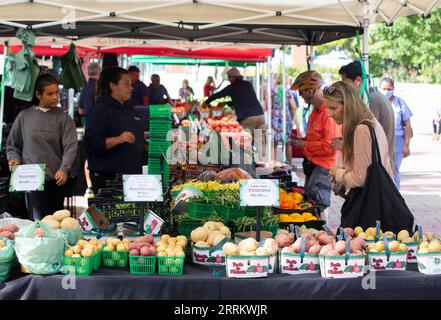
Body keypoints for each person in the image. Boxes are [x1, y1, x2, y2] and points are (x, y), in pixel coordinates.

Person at [6, 74, 78, 220]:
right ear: (38, 94)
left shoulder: (64, 119)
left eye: (57, 92)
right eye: (50, 94)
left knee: (55, 223)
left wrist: (64, 169)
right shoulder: (24, 117)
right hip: (31, 180)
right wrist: (14, 159)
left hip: (56, 179)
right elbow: (13, 145)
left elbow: (71, 146)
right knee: (36, 222)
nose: (55, 97)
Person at [326, 81, 394, 222]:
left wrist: (337, 173)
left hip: (367, 208)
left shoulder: (361, 129)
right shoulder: (369, 121)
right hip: (377, 201)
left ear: (348, 105)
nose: (330, 114)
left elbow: (360, 178)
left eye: (333, 108)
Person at [84, 67, 145, 194]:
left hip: (131, 177)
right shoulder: (99, 110)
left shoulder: (128, 108)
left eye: (131, 84)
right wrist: (118, 139)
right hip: (108, 179)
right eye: (126, 84)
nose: (131, 88)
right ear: (113, 85)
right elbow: (91, 144)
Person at [290, 71, 340, 209]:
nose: (300, 95)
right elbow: (314, 137)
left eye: (301, 91)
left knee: (317, 206)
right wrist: (301, 140)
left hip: (323, 167)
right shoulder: (315, 111)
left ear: (311, 90)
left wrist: (304, 144)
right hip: (313, 164)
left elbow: (329, 145)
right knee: (309, 203)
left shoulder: (328, 112)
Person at [338, 61, 395, 164]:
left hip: (377, 167)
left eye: (345, 83)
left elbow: (368, 141)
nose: (344, 89)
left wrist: (344, 145)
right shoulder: (376, 97)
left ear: (358, 81)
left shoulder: (371, 101)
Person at [379, 77, 413, 189]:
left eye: (389, 89)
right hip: (382, 140)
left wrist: (406, 145)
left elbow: (407, 125)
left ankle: (395, 195)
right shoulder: (378, 102)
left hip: (397, 141)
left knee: (395, 169)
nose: (386, 91)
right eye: (384, 89)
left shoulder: (400, 103)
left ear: (393, 88)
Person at [78, 62, 101, 199]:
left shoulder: (84, 88)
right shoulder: (99, 88)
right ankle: (96, 187)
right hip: (99, 127)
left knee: (89, 157)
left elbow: (80, 110)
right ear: (99, 71)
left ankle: (89, 187)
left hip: (88, 126)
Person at [264, 75, 293, 162]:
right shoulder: (288, 91)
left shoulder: (272, 91)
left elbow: (267, 106)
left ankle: (273, 164)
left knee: (274, 143)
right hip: (286, 118)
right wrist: (291, 116)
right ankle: (290, 164)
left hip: (275, 119)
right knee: (287, 143)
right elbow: (294, 106)